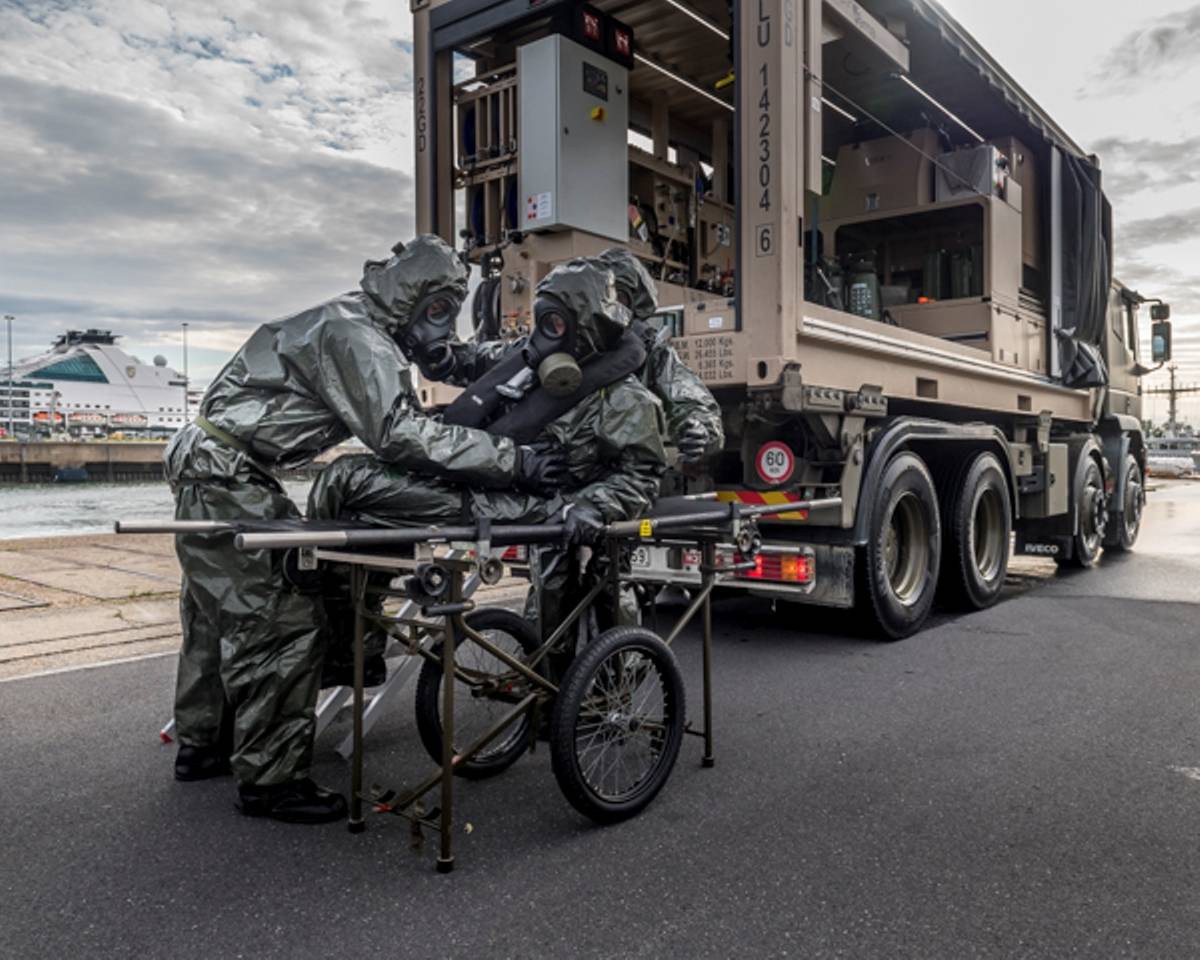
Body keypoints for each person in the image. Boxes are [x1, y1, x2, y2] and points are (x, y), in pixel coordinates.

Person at [165, 235, 565, 824]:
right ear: (424, 303)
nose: (439, 331)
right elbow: (398, 435)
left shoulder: (342, 319)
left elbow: (394, 421)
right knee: (280, 624)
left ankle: (202, 744)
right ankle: (271, 783)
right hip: (226, 473)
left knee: (214, 608)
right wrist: (515, 460)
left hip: (215, 464)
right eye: (439, 315)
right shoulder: (358, 337)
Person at [307, 261, 669, 659]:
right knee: (347, 483)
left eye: (558, 324)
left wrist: (591, 506)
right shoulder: (526, 368)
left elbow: (643, 473)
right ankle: (350, 639)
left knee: (597, 602)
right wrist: (438, 350)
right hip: (507, 494)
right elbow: (472, 362)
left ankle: (609, 686)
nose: (549, 336)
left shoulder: (625, 399)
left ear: (590, 326)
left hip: (556, 510)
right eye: (544, 322)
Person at [524, 247, 726, 636]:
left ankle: (617, 677)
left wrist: (699, 428)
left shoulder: (646, 348)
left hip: (620, 478)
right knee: (550, 576)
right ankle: (547, 674)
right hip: (558, 477)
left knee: (611, 572)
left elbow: (687, 393)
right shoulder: (566, 336)